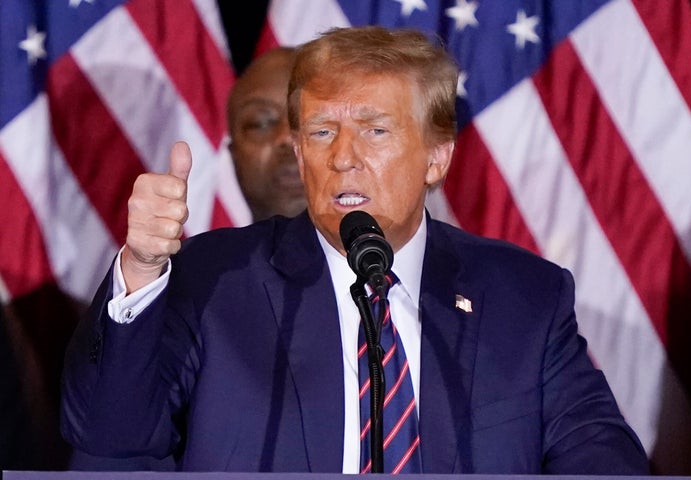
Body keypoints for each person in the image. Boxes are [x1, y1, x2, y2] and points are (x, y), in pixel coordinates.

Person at [61, 26, 649, 474]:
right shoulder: (214, 279)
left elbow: (602, 459)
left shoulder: (524, 296)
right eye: (321, 132)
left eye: (375, 130)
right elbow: (109, 436)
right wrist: (140, 268)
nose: (342, 156)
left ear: (436, 157)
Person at [226, 46, 307, 222]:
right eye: (260, 124)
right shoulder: (198, 250)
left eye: (309, 118)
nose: (287, 137)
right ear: (234, 156)